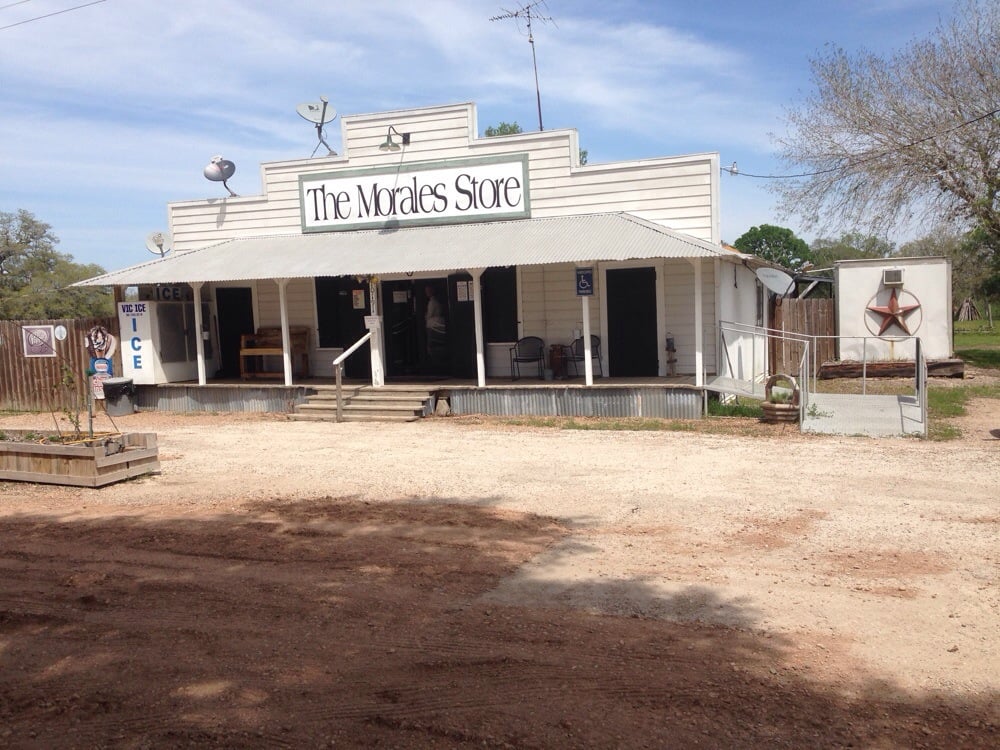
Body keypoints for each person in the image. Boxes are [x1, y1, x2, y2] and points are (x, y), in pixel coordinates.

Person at [424, 284, 447, 363]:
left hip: (433, 325)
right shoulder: (435, 301)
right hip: (437, 324)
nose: (426, 292)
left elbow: (429, 315)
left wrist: (425, 317)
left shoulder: (432, 302)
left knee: (432, 342)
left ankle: (433, 358)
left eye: (427, 291)